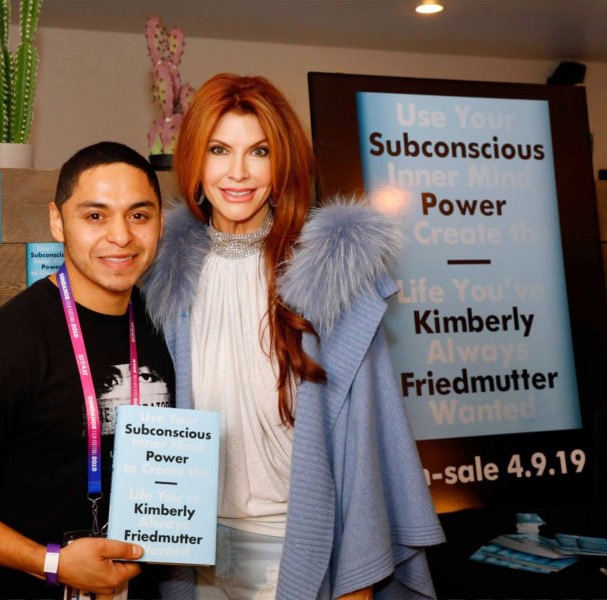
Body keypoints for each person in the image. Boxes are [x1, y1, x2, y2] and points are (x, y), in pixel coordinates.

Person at [141, 74, 445, 600]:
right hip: (187, 551)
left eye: (258, 151)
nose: (238, 172)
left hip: (294, 549)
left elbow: (364, 441)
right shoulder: (158, 276)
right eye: (219, 149)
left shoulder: (331, 275)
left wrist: (357, 581)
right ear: (193, 161)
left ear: (281, 163)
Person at [0, 142, 175, 599]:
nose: (121, 236)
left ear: (160, 221)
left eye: (139, 215)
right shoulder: (1, 346)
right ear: (56, 220)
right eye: (95, 216)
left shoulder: (162, 325)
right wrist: (52, 564)